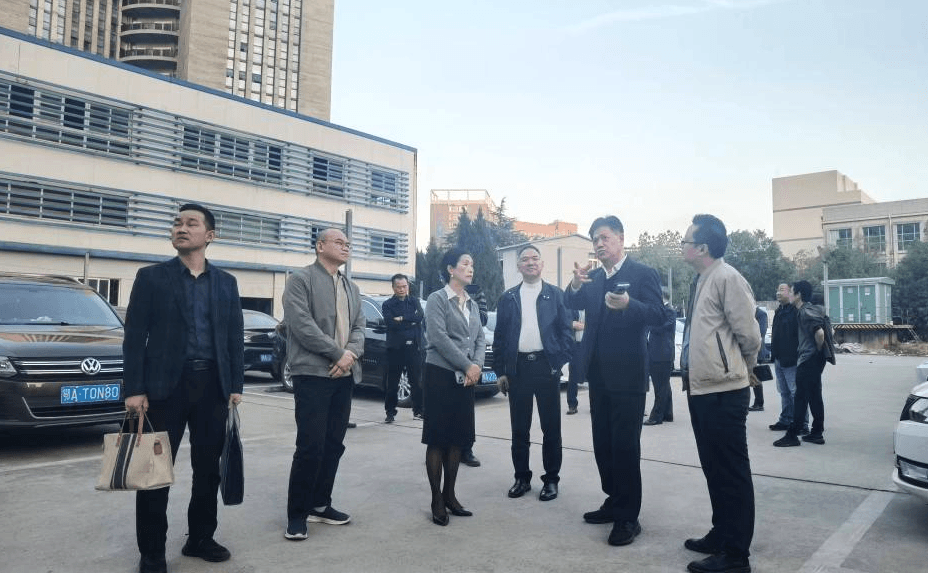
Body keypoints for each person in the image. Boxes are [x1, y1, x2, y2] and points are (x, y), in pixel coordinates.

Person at [123, 203, 244, 573]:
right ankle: (152, 552)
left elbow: (233, 337)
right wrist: (134, 389)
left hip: (212, 387)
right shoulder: (151, 278)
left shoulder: (226, 282)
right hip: (164, 389)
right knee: (154, 473)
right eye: (177, 222)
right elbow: (134, 336)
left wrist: (235, 384)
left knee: (208, 470)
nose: (181, 228)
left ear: (210, 235)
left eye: (191, 223)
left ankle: (200, 538)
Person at [565, 215, 664, 547]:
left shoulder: (643, 274)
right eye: (595, 239)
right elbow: (570, 302)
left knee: (625, 447)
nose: (599, 244)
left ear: (621, 238)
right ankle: (613, 499)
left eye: (604, 237)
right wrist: (575, 284)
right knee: (603, 445)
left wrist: (630, 304)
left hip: (628, 376)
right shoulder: (592, 278)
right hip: (598, 376)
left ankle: (628, 517)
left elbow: (659, 316)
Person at [680, 214, 761, 573]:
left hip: (725, 392)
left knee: (731, 473)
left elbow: (750, 336)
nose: (682, 246)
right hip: (702, 389)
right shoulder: (702, 279)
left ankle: (736, 555)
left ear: (702, 248)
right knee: (714, 468)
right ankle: (722, 533)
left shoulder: (728, 277)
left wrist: (738, 368)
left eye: (685, 241)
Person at [283, 228, 365, 541]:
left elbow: (359, 327)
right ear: (320, 246)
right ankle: (297, 514)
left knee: (333, 444)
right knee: (310, 446)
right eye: (339, 242)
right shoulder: (300, 280)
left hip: (343, 375)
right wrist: (337, 353)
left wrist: (349, 355)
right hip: (313, 374)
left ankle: (320, 504)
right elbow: (301, 325)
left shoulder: (351, 286)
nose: (346, 247)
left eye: (348, 243)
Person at [493, 245, 574, 501]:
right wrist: (501, 371)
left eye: (535, 258)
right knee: (519, 429)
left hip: (546, 367)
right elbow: (500, 337)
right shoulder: (508, 298)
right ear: (519, 266)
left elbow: (566, 332)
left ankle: (551, 480)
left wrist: (558, 362)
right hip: (518, 370)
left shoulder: (556, 295)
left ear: (541, 264)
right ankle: (522, 478)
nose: (530, 262)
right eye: (525, 259)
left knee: (551, 428)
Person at [422, 248, 485, 526]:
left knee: (458, 439)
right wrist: (467, 365)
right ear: (450, 269)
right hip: (440, 374)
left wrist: (476, 366)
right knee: (438, 438)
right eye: (465, 264)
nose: (471, 268)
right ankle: (436, 498)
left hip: (466, 378)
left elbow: (480, 338)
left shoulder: (472, 304)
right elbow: (438, 337)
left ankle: (450, 495)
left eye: (472, 264)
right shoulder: (437, 299)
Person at [773, 280, 834, 447]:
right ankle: (817, 433)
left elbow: (820, 333)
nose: (790, 295)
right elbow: (828, 330)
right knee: (814, 396)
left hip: (808, 359)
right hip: (815, 359)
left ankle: (792, 435)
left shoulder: (805, 312)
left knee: (800, 397)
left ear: (798, 295)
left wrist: (816, 350)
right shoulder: (812, 309)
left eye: (792, 292)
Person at [381, 273, 425, 422]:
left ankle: (418, 411)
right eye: (398, 287)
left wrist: (402, 318)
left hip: (414, 348)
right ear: (393, 288)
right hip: (395, 349)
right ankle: (390, 413)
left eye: (404, 286)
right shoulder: (387, 304)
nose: (402, 289)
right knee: (392, 382)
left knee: (416, 381)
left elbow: (420, 316)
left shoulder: (414, 301)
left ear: (408, 286)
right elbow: (391, 323)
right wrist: (410, 322)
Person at [768, 283, 808, 433]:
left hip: (791, 359)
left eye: (782, 290)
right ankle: (785, 420)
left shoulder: (795, 311)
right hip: (779, 358)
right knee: (784, 392)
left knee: (795, 392)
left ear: (790, 292)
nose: (778, 293)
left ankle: (802, 424)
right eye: (777, 290)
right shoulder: (779, 311)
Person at [461, 285, 488, 467]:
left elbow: (482, 323)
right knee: (445, 411)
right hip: (447, 362)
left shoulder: (476, 292)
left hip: (470, 361)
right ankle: (441, 448)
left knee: (467, 411)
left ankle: (466, 450)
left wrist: (476, 365)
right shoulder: (440, 297)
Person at [643, 288, 677, 425]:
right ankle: (667, 413)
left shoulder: (669, 311)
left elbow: (661, 328)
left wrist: (649, 322)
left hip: (663, 354)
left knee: (660, 386)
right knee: (664, 385)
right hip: (657, 353)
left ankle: (656, 416)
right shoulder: (662, 311)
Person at [748, 305, 770, 412]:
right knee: (750, 376)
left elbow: (762, 331)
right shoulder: (748, 313)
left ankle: (759, 403)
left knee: (756, 377)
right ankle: (756, 402)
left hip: (758, 350)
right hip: (749, 349)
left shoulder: (761, 314)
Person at [565, 309, 585, 415]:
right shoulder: (572, 308)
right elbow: (567, 322)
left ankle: (596, 405)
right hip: (576, 345)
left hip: (590, 345)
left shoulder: (593, 306)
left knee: (595, 375)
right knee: (573, 375)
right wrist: (573, 324)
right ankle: (572, 405)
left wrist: (582, 325)